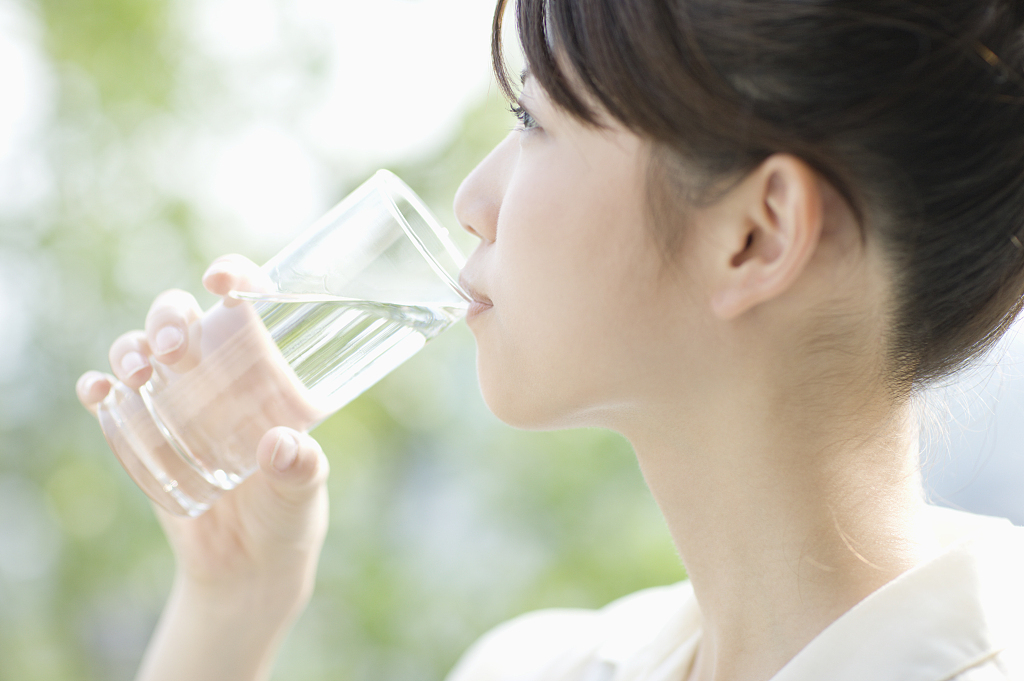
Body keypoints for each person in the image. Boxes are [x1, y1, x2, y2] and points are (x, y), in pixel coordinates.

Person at [76, 0, 1024, 679]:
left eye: (534, 118)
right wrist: (229, 608)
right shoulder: (542, 661)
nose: (473, 200)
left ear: (757, 234)